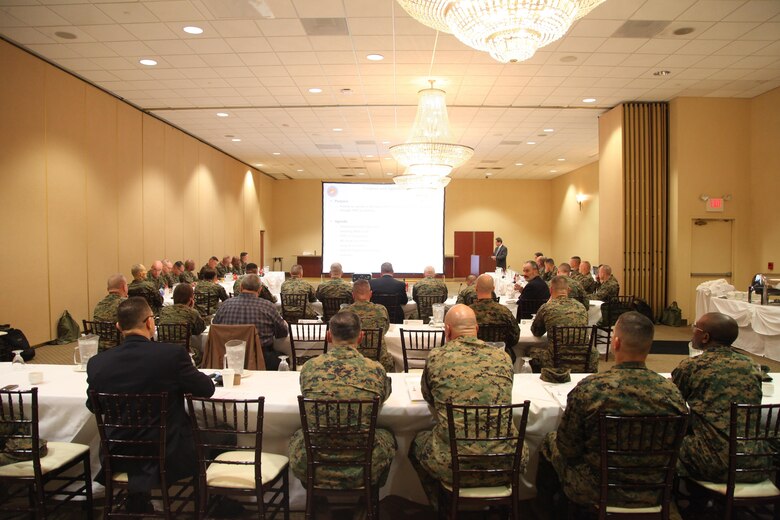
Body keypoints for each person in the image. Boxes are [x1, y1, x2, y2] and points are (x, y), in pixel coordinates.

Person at [537, 312, 687, 513]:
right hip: (654, 487)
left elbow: (568, 447)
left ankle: (548, 511)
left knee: (549, 441)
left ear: (615, 343)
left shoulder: (591, 388)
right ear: (649, 346)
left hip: (596, 487)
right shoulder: (673, 393)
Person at [86, 297, 215, 514]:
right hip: (167, 451)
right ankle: (209, 503)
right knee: (223, 436)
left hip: (117, 453)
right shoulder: (171, 355)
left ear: (119, 327)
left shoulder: (97, 363)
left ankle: (137, 498)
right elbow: (206, 389)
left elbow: (94, 406)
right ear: (149, 322)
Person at [409, 304, 523, 510]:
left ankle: (443, 506)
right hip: (505, 462)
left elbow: (429, 397)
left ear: (447, 330)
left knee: (416, 444)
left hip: (452, 465)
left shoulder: (437, 357)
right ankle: (502, 509)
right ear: (477, 329)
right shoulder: (502, 358)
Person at [288, 311, 396, 489]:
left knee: (298, 435)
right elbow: (383, 394)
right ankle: (368, 498)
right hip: (364, 463)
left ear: (328, 336)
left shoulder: (310, 368)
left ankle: (318, 505)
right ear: (361, 337)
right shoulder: (375, 369)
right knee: (388, 436)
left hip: (315, 461)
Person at [672, 312, 766, 483]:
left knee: (665, 436)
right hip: (754, 461)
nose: (693, 331)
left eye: (696, 329)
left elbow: (672, 402)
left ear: (705, 337)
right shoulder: (752, 365)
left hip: (711, 462)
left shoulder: (692, 366)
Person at [212, 274, 288, 370]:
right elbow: (282, 333)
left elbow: (215, 327)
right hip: (261, 358)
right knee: (284, 360)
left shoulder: (225, 305)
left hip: (229, 358)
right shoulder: (268, 306)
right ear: (260, 290)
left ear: (241, 288)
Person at [531, 276, 592, 371]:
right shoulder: (581, 307)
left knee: (528, 351)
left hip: (555, 360)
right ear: (569, 290)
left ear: (551, 290)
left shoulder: (547, 308)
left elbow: (536, 332)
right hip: (582, 360)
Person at [344, 279, 394, 373]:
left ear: (353, 294)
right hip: (379, 360)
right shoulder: (381, 310)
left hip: (351, 360)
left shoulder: (344, 312)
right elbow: (384, 331)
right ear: (370, 294)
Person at [158, 283, 206, 366]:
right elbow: (200, 330)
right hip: (183, 353)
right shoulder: (192, 312)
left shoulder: (164, 310)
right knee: (202, 353)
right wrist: (191, 308)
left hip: (163, 352)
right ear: (191, 298)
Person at [469, 274, 519, 350]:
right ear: (493, 289)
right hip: (501, 355)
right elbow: (515, 337)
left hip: (474, 354)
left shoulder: (468, 312)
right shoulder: (504, 311)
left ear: (476, 288)